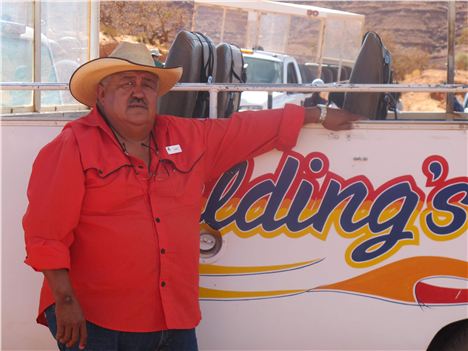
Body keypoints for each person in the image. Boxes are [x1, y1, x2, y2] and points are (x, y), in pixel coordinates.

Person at [23, 41, 360, 351]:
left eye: (148, 84)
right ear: (101, 93)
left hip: (173, 318)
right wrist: (65, 302)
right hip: (95, 319)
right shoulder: (72, 146)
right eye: (126, 83)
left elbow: (248, 129)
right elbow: (45, 234)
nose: (138, 92)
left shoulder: (189, 137)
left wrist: (319, 114)